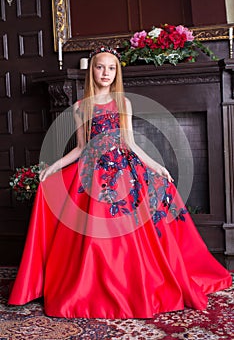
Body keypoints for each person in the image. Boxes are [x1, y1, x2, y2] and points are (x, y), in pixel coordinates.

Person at [8, 46, 232, 319]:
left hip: (124, 170)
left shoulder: (122, 102)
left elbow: (131, 143)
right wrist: (53, 167)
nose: (106, 73)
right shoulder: (81, 107)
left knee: (138, 218)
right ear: (92, 71)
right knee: (91, 230)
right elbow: (80, 148)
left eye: (111, 68)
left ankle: (132, 284)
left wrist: (157, 166)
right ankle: (92, 288)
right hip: (93, 172)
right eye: (100, 67)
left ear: (117, 73)